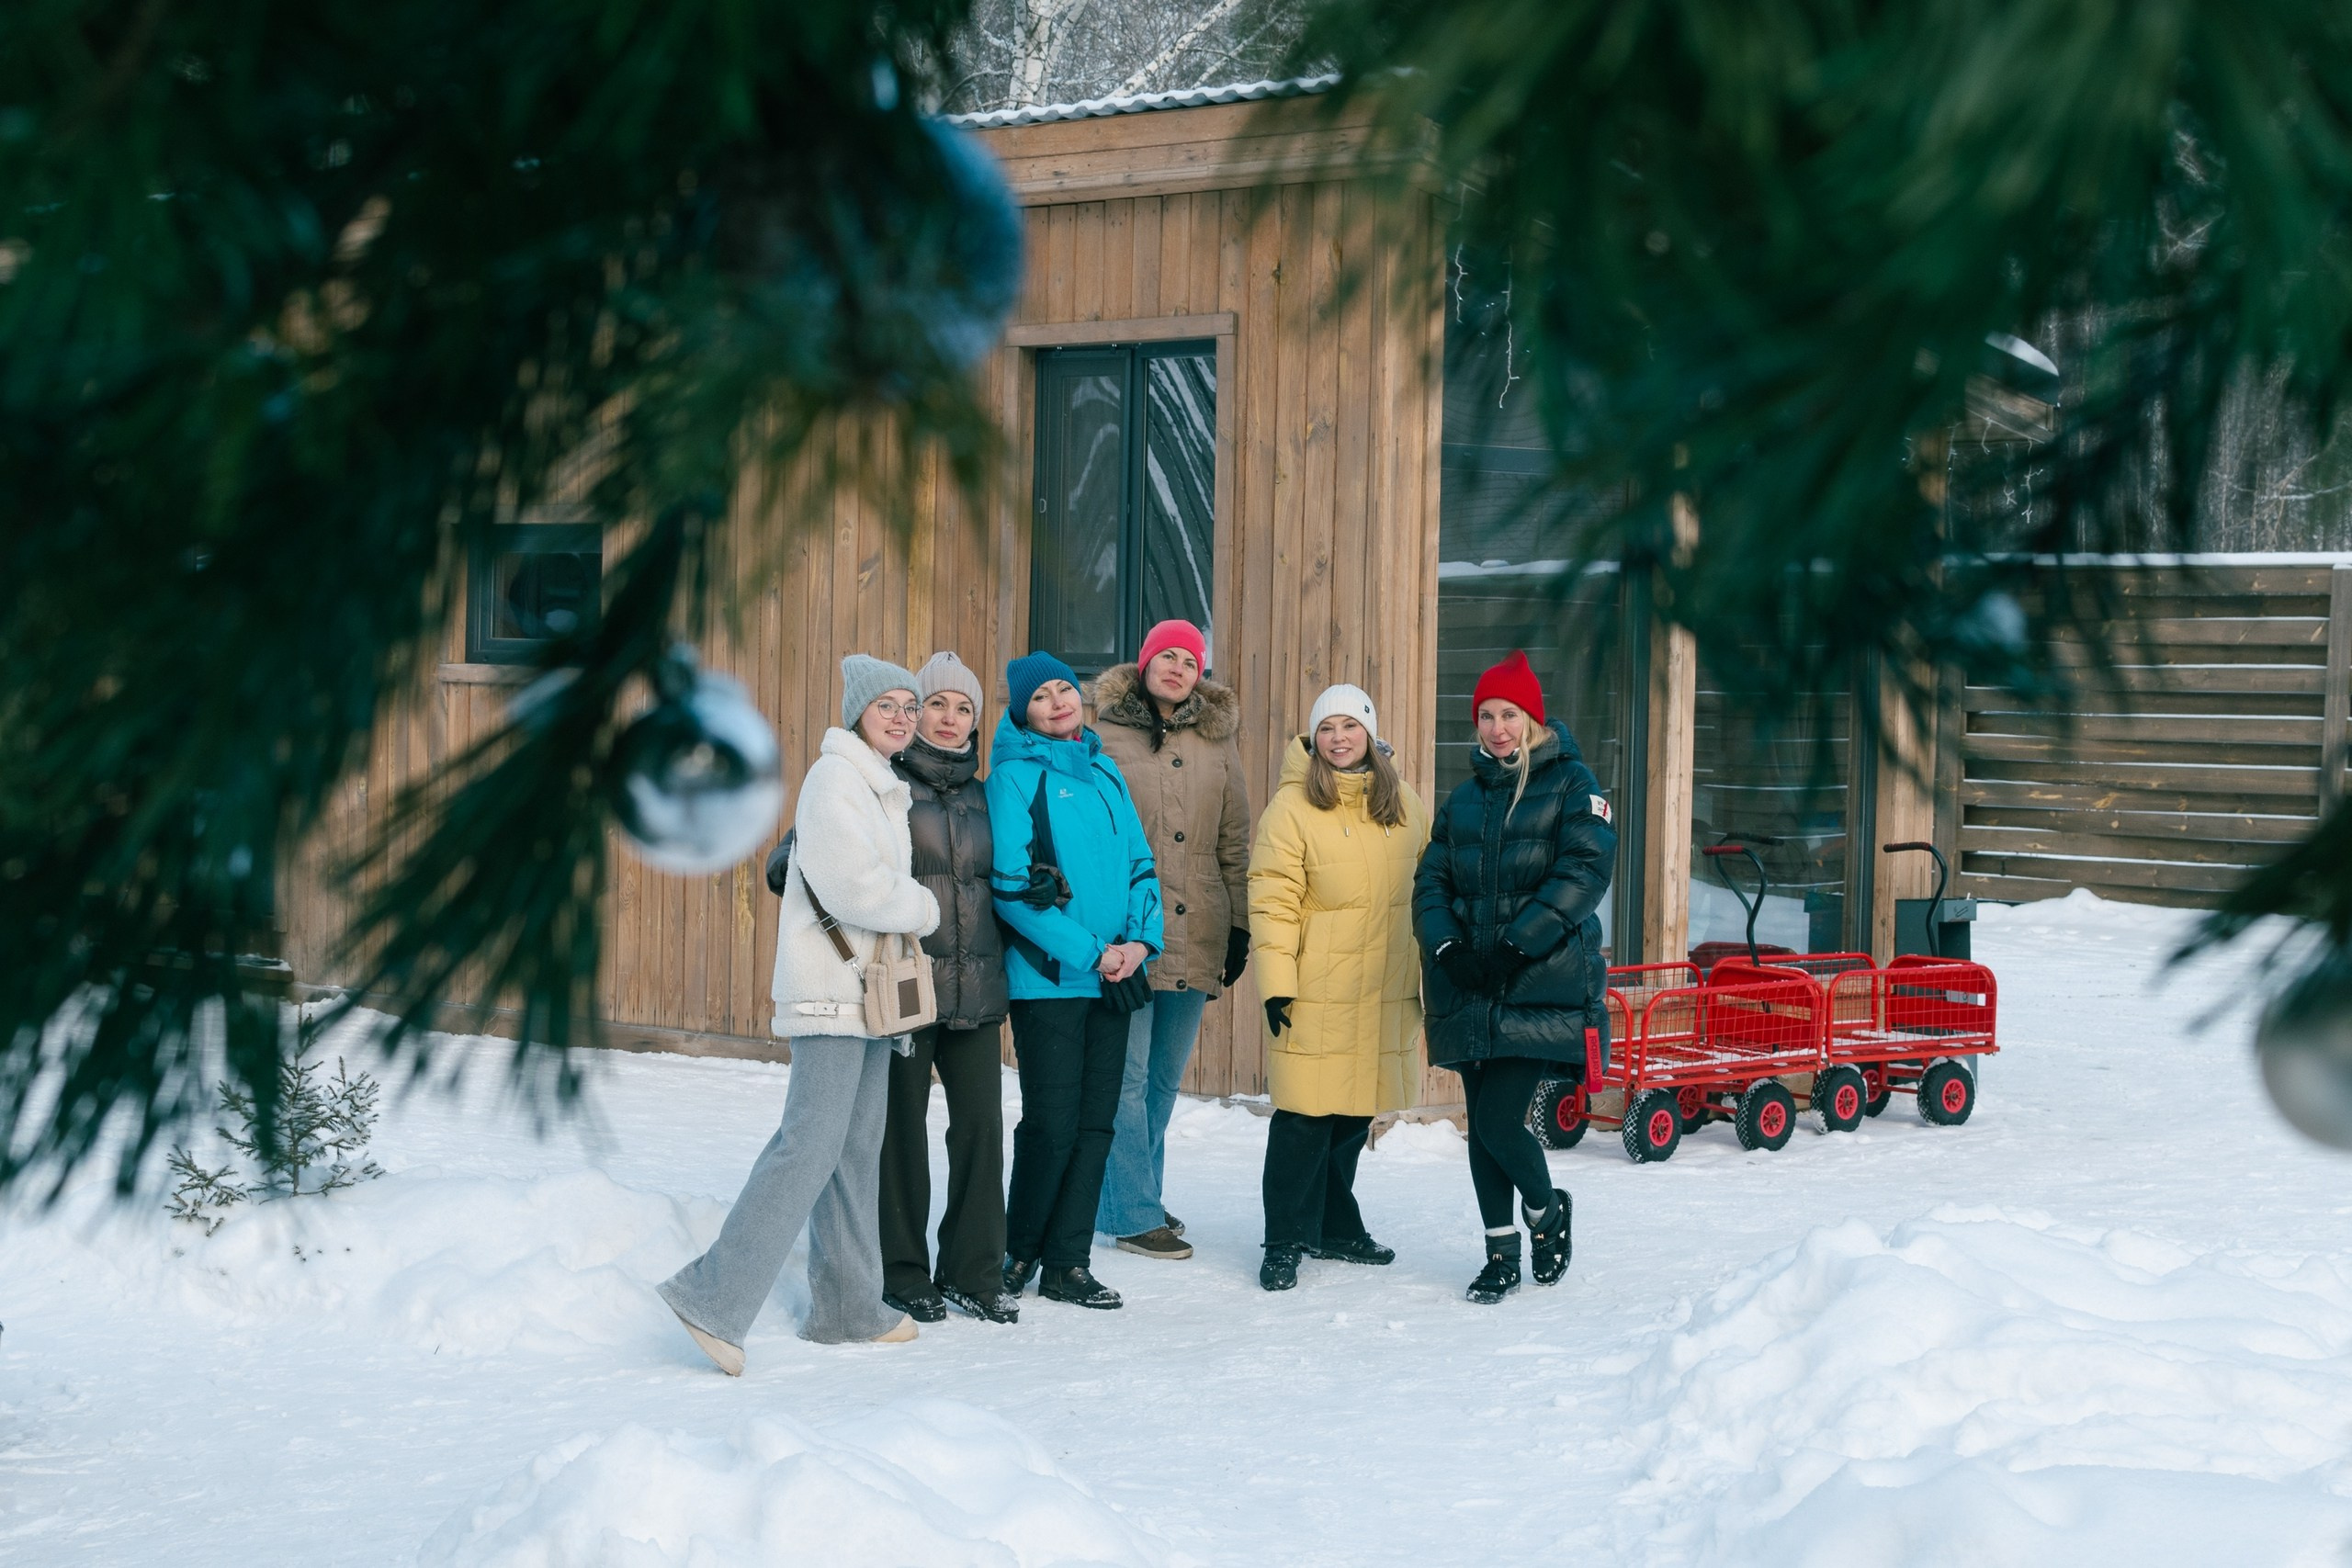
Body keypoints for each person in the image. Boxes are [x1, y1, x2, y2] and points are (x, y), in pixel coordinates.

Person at [659, 655, 940, 1372]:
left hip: (867, 996)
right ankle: (712, 1298)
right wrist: (923, 905)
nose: (903, 716)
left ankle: (848, 1307)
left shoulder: (880, 783)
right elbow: (855, 887)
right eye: (889, 705)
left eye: (910, 705)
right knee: (809, 1145)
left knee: (853, 1147)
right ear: (858, 711)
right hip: (832, 993)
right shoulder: (836, 778)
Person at [1413, 650, 1615, 1305]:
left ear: (1533, 718)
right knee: (1482, 1124)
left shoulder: (1573, 784)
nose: (1497, 727)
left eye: (1510, 714)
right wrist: (1447, 948)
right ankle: (1500, 1252)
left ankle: (1545, 1212)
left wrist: (1510, 946)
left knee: (1501, 1122)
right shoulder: (1465, 798)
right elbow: (1431, 880)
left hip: (1536, 982)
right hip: (1470, 984)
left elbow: (1582, 874)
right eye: (1487, 715)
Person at [987, 651, 1164, 1310]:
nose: (1059, 701)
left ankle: (1068, 1262)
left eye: (1065, 688)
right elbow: (1010, 889)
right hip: (1051, 981)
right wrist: (1095, 952)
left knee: (1096, 1125)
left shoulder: (1106, 771)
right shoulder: (1011, 778)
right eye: (1042, 696)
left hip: (1114, 977)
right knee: (1051, 1124)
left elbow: (1142, 863)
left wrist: (1141, 943)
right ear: (1022, 710)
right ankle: (1017, 1251)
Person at [1248, 684, 1430, 1292]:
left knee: (1354, 1115)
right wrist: (1277, 985)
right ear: (1314, 737)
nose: (1339, 738)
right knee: (1303, 1119)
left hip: (1383, 987)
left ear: (1370, 734)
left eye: (1350, 725)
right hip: (1316, 990)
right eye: (1327, 727)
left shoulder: (1404, 804)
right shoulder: (1292, 809)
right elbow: (1272, 903)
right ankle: (1282, 1239)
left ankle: (1333, 1223)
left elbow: (1431, 888)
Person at [1089, 620, 1251, 1261]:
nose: (1178, 667)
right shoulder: (1102, 732)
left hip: (1199, 928)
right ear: (1146, 663)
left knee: (1159, 1080)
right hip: (1126, 931)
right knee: (1124, 1078)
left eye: (1190, 659)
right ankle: (1130, 1211)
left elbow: (1233, 840)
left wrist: (1239, 924)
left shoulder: (1219, 741)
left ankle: (1138, 1194)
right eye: (1167, 656)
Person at [876, 651, 1019, 1325]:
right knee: (900, 1130)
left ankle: (972, 1269)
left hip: (978, 986)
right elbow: (815, 842)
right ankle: (901, 1270)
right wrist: (795, 860)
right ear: (916, 710)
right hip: (906, 986)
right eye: (938, 703)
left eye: (964, 707)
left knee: (981, 1132)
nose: (951, 717)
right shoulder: (881, 783)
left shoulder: (992, 795)